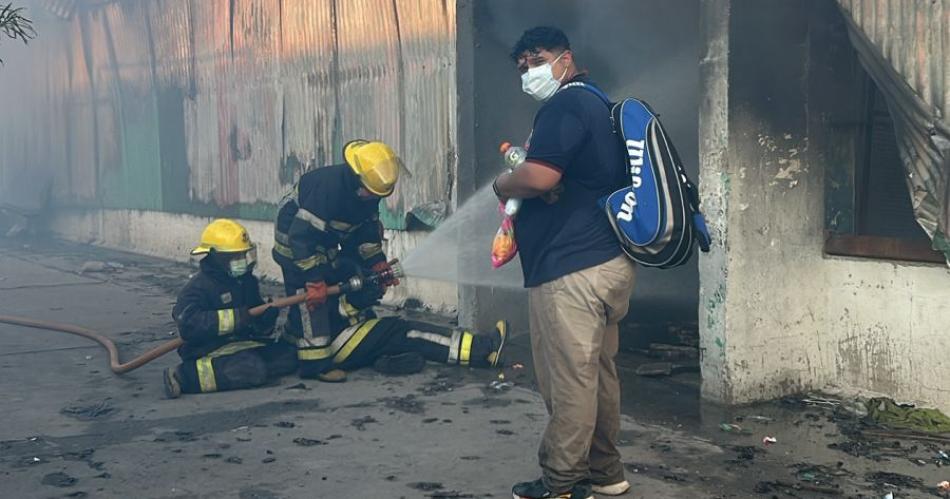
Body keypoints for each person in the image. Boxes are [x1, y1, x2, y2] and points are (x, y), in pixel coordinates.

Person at [492, 27, 637, 499]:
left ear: (565, 58)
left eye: (537, 60)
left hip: (570, 270)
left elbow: (539, 177)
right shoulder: (598, 104)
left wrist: (502, 184)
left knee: (569, 381)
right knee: (598, 375)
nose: (529, 71)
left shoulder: (565, 104)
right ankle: (606, 471)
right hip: (606, 262)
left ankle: (562, 482)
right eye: (522, 66)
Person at [271, 140, 403, 382]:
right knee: (312, 303)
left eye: (378, 195)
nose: (374, 198)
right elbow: (301, 236)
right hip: (295, 247)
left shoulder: (367, 191)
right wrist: (314, 280)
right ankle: (315, 364)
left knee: (344, 278)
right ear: (357, 177)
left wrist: (376, 261)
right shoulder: (328, 189)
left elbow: (366, 230)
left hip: (324, 242)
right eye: (371, 193)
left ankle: (291, 342)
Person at [298, 259, 509, 375]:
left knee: (392, 338)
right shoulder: (311, 277)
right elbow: (333, 315)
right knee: (406, 332)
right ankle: (482, 350)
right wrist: (358, 300)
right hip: (338, 342)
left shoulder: (325, 261)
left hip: (347, 334)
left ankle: (385, 359)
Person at [163, 219, 297, 399]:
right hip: (209, 349)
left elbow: (255, 322)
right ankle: (183, 376)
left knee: (289, 356)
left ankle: (248, 368)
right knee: (251, 369)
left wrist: (265, 320)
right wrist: (238, 317)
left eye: (244, 254)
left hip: (241, 344)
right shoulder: (198, 287)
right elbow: (188, 325)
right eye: (235, 257)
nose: (242, 261)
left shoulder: (247, 282)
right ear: (216, 257)